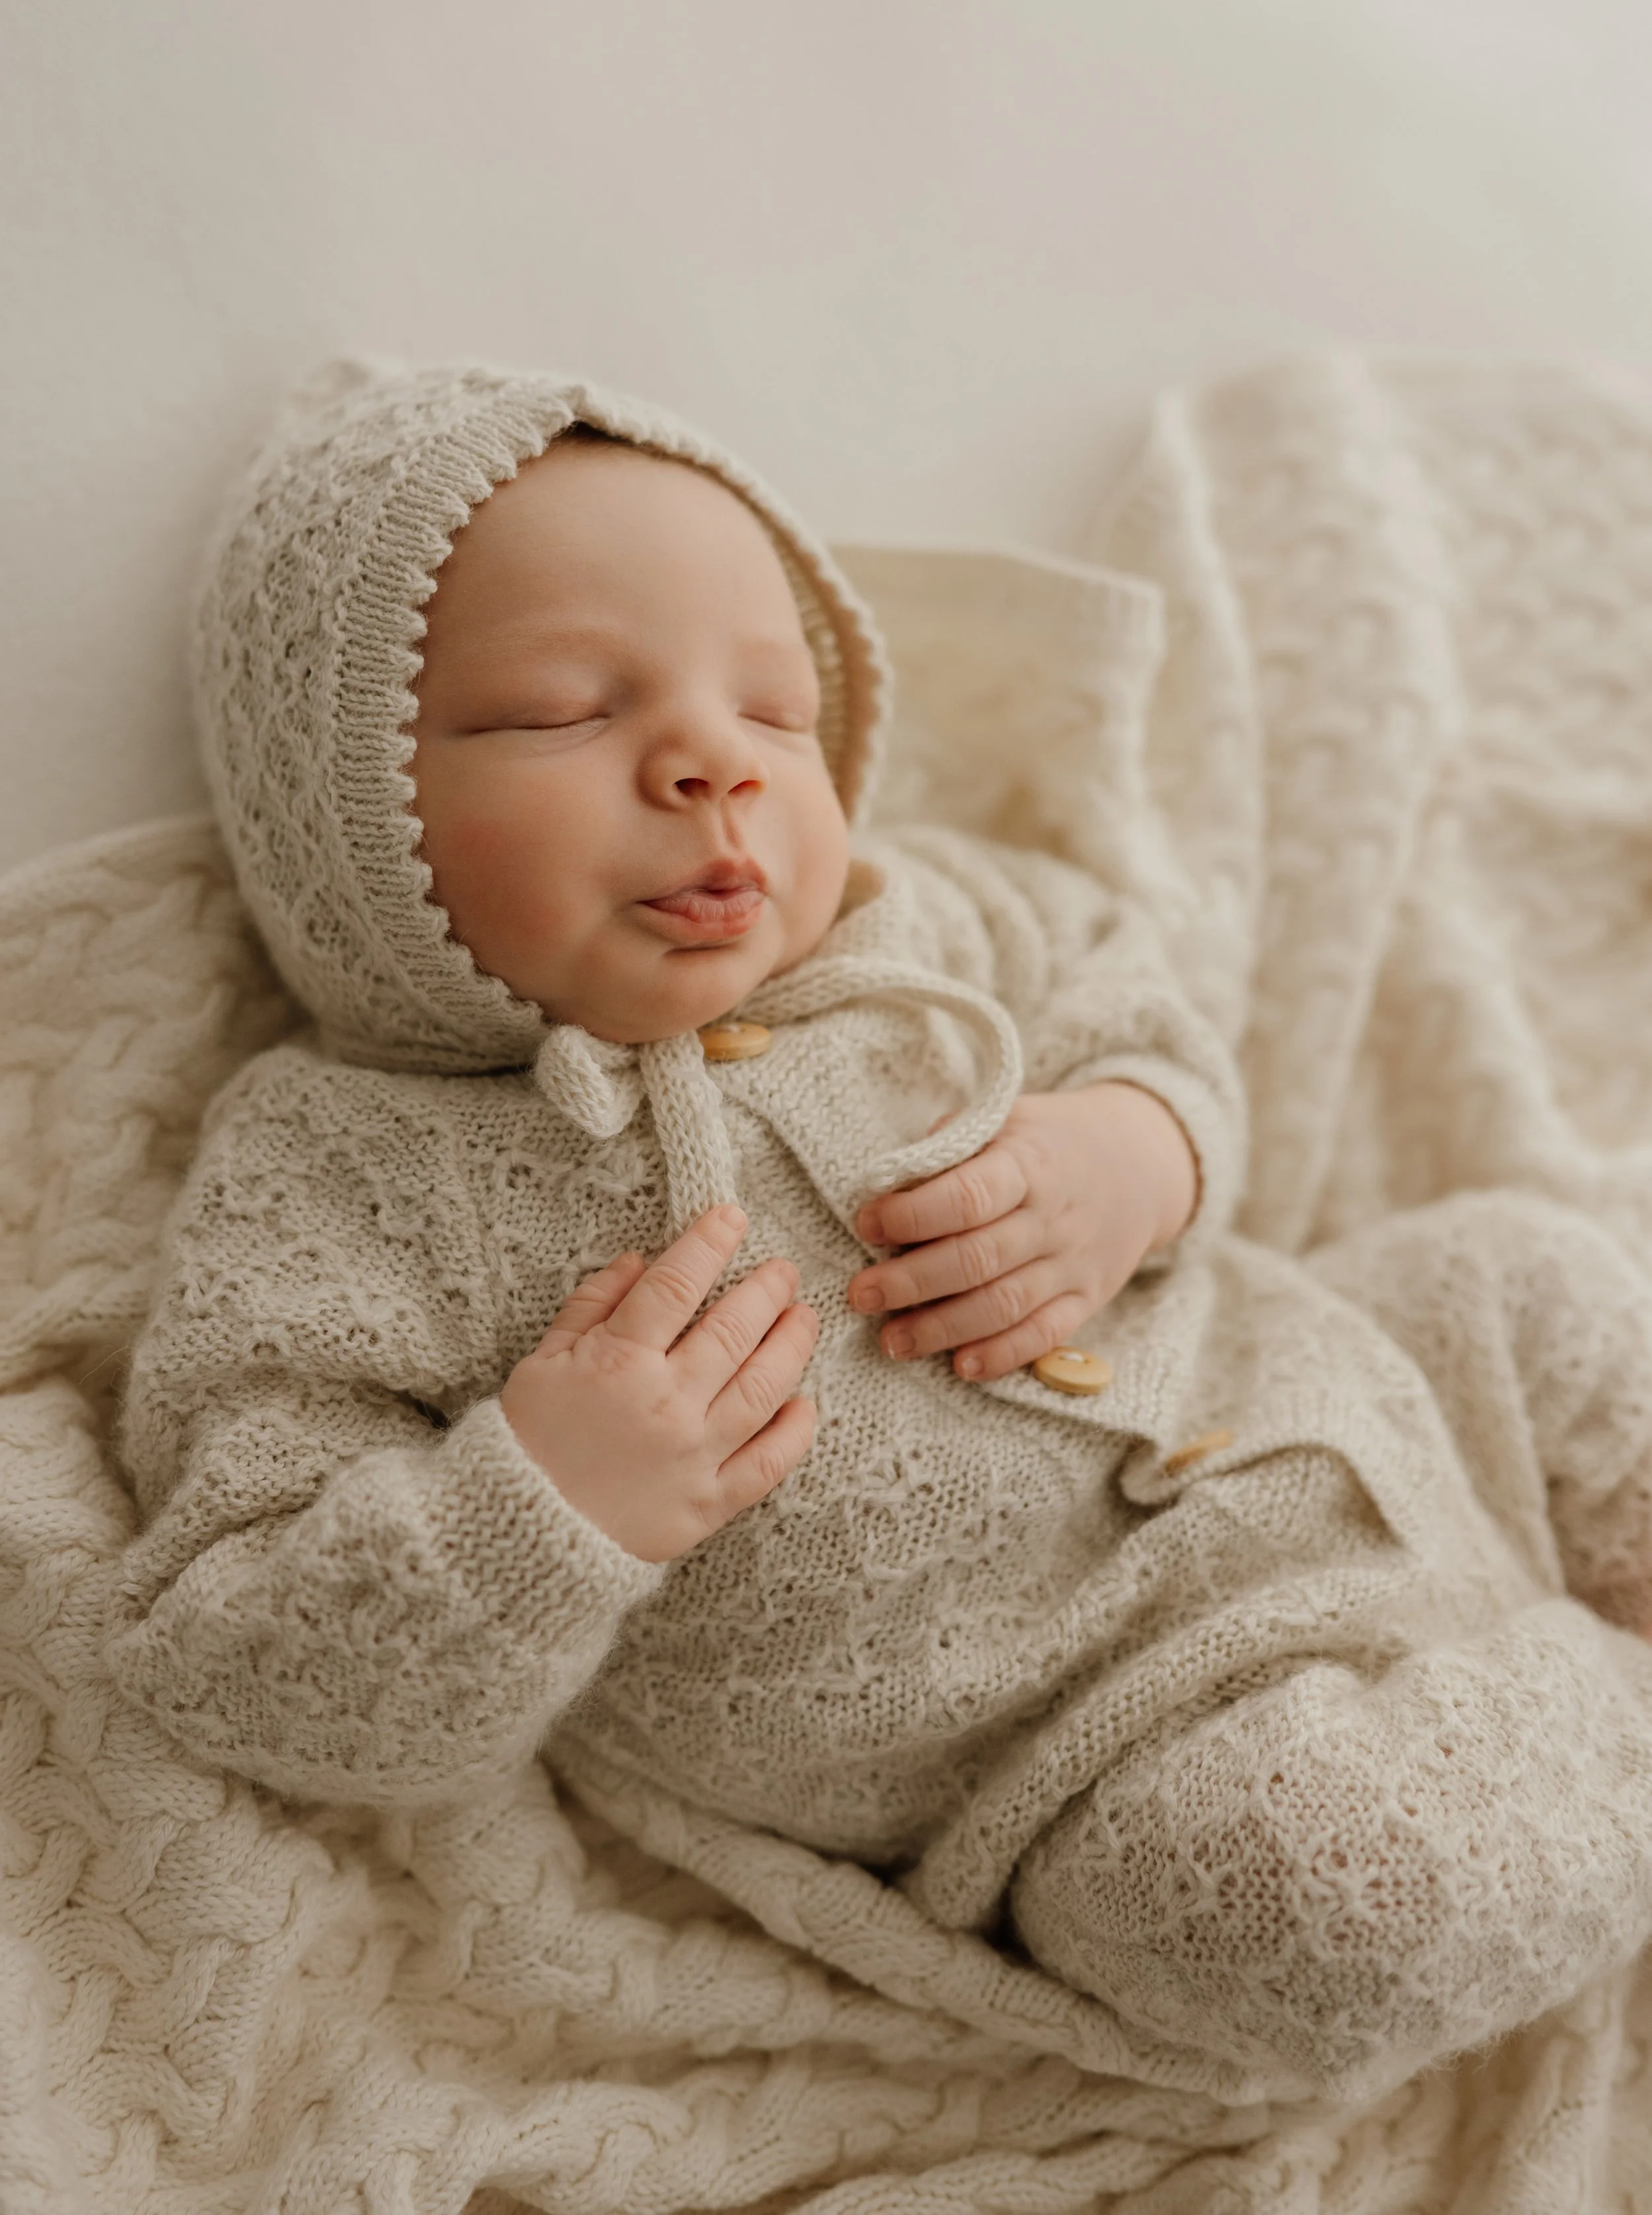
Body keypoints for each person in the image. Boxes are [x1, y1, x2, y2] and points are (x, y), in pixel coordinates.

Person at [110, 360, 1652, 2104]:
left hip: (1374, 1383)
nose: (709, 764)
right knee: (1297, 1911)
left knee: (1536, 1270)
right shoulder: (340, 1171)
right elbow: (243, 1652)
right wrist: (540, 1505)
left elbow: (1146, 1020)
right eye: (559, 710)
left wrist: (1132, 1153)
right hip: (1117, 1751)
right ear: (343, 818)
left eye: (772, 710)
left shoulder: (932, 916)